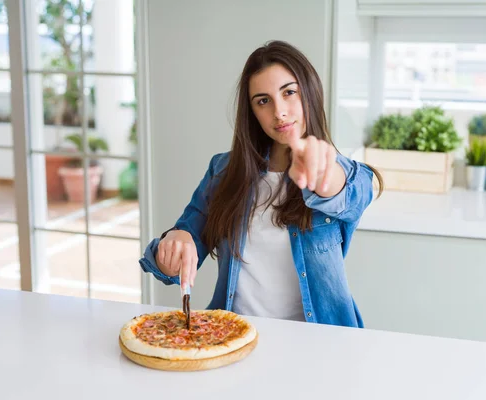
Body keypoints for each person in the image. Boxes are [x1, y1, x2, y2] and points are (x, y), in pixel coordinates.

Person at [139, 40, 383, 328]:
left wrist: (324, 178)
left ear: (310, 92)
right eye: (263, 100)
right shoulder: (223, 171)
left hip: (321, 343)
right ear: (252, 111)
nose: (279, 111)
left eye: (289, 92)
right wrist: (175, 244)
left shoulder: (338, 171)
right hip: (234, 336)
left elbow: (353, 192)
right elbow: (170, 261)